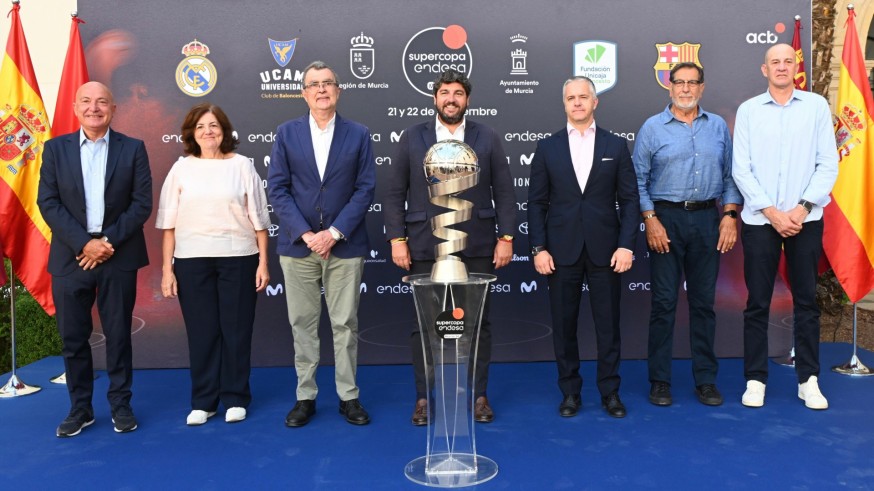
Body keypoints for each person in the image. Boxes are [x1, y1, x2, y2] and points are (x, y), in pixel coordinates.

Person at [383, 69, 515, 425]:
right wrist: (397, 239)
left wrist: (506, 238)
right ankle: (424, 398)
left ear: (467, 99)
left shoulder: (486, 136)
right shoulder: (413, 137)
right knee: (423, 326)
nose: (451, 99)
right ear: (435, 98)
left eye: (458, 93)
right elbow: (395, 193)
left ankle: (479, 397)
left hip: (477, 245)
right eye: (445, 93)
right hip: (425, 245)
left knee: (478, 325)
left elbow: (503, 191)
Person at [37, 81, 152, 436]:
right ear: (75, 108)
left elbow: (141, 204)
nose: (94, 107)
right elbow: (48, 203)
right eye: (86, 101)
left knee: (119, 335)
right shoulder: (55, 149)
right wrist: (84, 244)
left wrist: (105, 242)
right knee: (73, 338)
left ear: (113, 108)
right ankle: (80, 409)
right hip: (72, 260)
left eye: (102, 101)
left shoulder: (133, 149)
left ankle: (121, 405)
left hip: (117, 256)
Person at [267, 61, 375, 427]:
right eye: (313, 84)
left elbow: (365, 189)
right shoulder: (286, 132)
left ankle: (349, 396)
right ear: (304, 93)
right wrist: (306, 233)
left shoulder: (359, 134)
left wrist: (335, 233)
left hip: (344, 246)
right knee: (303, 324)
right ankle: (305, 397)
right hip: (298, 247)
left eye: (328, 83)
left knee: (345, 323)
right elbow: (277, 189)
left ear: (338, 90)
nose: (321, 89)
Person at [732, 43, 838, 410]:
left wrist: (802, 208)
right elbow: (740, 169)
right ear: (764, 70)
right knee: (757, 302)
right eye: (774, 62)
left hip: (804, 220)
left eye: (787, 61)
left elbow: (828, 163)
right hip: (761, 220)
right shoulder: (748, 111)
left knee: (806, 301)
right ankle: (755, 379)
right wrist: (772, 212)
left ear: (796, 66)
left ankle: (808, 380)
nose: (781, 67)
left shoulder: (816, 107)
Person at [528, 76, 638, 419]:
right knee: (564, 326)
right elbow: (536, 204)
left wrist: (626, 246)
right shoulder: (547, 148)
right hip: (561, 252)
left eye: (583, 97)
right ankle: (570, 393)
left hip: (607, 251)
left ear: (595, 102)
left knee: (608, 326)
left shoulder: (616, 146)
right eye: (571, 98)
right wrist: (538, 248)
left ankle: (610, 393)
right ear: (564, 104)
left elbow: (630, 201)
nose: (577, 103)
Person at [633, 62, 742, 407]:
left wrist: (729, 215)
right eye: (679, 82)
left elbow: (729, 177)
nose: (685, 89)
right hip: (665, 220)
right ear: (670, 87)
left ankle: (706, 380)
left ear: (702, 88)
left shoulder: (718, 128)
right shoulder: (652, 128)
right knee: (664, 303)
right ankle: (660, 381)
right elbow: (637, 180)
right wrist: (650, 219)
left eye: (692, 83)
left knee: (703, 304)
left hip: (707, 220)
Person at [156, 103, 271, 426]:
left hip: (239, 257)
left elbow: (260, 221)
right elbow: (169, 225)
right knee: (202, 332)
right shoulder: (181, 169)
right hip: (192, 260)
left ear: (225, 131)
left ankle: (235, 397)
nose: (209, 131)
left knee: (236, 331)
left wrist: (263, 263)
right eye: (202, 126)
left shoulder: (243, 166)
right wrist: (167, 269)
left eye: (215, 126)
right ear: (192, 133)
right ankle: (203, 401)